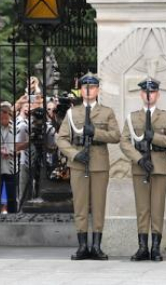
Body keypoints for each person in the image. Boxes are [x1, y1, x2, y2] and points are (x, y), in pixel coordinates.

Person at [57, 72, 120, 261]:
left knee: (99, 206)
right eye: (85, 87)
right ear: (81, 89)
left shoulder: (107, 112)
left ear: (97, 90)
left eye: (92, 87)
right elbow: (61, 139)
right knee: (80, 205)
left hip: (99, 163)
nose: (88, 90)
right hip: (78, 163)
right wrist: (75, 155)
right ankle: (82, 246)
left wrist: (96, 133)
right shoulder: (72, 113)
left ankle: (96, 246)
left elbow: (116, 136)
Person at [119, 77, 166, 262]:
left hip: (159, 166)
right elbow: (124, 141)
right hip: (140, 167)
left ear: (158, 94)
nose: (148, 95)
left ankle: (155, 247)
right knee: (142, 208)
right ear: (140, 94)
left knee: (157, 207)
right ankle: (142, 247)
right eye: (145, 92)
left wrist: (155, 139)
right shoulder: (132, 117)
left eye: (152, 92)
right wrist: (138, 159)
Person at [0, 102, 27, 213]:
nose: (3, 119)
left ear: (10, 116)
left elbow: (24, 144)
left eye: (6, 116)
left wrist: (11, 152)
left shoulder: (16, 128)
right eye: (1, 117)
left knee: (11, 194)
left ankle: (13, 214)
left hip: (11, 165)